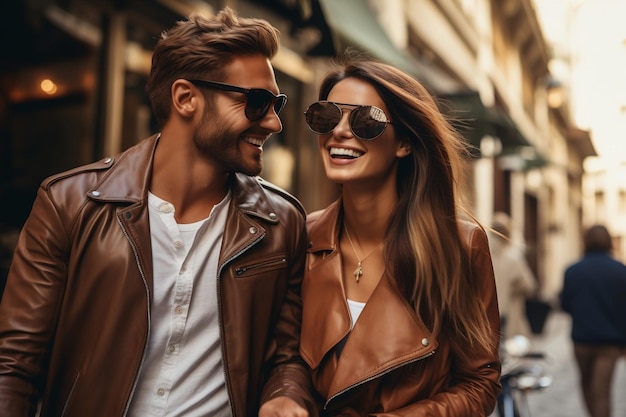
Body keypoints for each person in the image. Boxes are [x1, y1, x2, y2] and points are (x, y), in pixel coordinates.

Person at [0, 8, 314, 417]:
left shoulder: (281, 222)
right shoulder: (70, 203)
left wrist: (285, 395)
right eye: (256, 102)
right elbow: (14, 365)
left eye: (277, 103)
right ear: (186, 98)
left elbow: (286, 355)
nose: (274, 123)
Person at [300, 57, 501, 416]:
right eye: (326, 116)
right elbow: (285, 359)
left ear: (404, 144)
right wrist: (283, 395)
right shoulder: (302, 236)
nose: (340, 132)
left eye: (365, 121)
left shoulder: (459, 247)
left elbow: (479, 383)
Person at [560, 224, 626, 417]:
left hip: (582, 341)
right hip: (610, 343)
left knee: (587, 385)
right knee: (601, 391)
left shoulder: (573, 271)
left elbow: (565, 305)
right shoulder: (621, 271)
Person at [488, 212, 537, 339]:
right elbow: (529, 285)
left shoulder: (482, 252)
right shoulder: (514, 256)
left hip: (486, 315)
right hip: (509, 315)